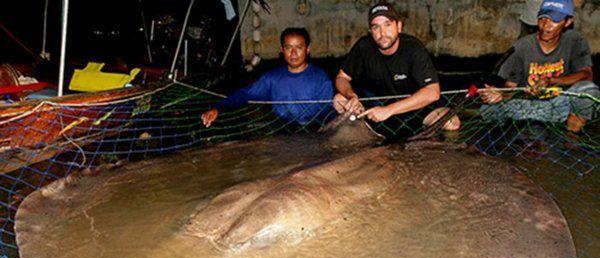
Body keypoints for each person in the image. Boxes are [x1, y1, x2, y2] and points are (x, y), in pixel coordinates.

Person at [480, 0, 598, 133]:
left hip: (560, 104)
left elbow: (587, 74)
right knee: (489, 110)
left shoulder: (575, 40)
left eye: (554, 20)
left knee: (589, 89)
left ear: (568, 22)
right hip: (528, 106)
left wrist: (551, 81)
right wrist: (500, 95)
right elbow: (510, 88)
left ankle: (572, 135)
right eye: (543, 18)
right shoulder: (522, 46)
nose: (546, 25)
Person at [333, 2, 455, 131]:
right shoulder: (364, 46)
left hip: (414, 108)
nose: (382, 33)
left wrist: (389, 110)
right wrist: (351, 96)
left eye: (387, 24)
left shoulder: (413, 48)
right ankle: (363, 137)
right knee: (339, 100)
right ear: (371, 31)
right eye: (376, 27)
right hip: (376, 107)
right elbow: (341, 78)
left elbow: (433, 92)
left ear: (399, 26)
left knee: (451, 123)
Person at [202, 27, 333, 127]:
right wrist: (218, 108)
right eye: (288, 48)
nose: (293, 53)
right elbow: (245, 94)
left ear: (307, 49)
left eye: (299, 47)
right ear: (282, 49)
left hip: (313, 132)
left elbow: (329, 113)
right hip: (282, 132)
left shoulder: (320, 78)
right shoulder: (272, 78)